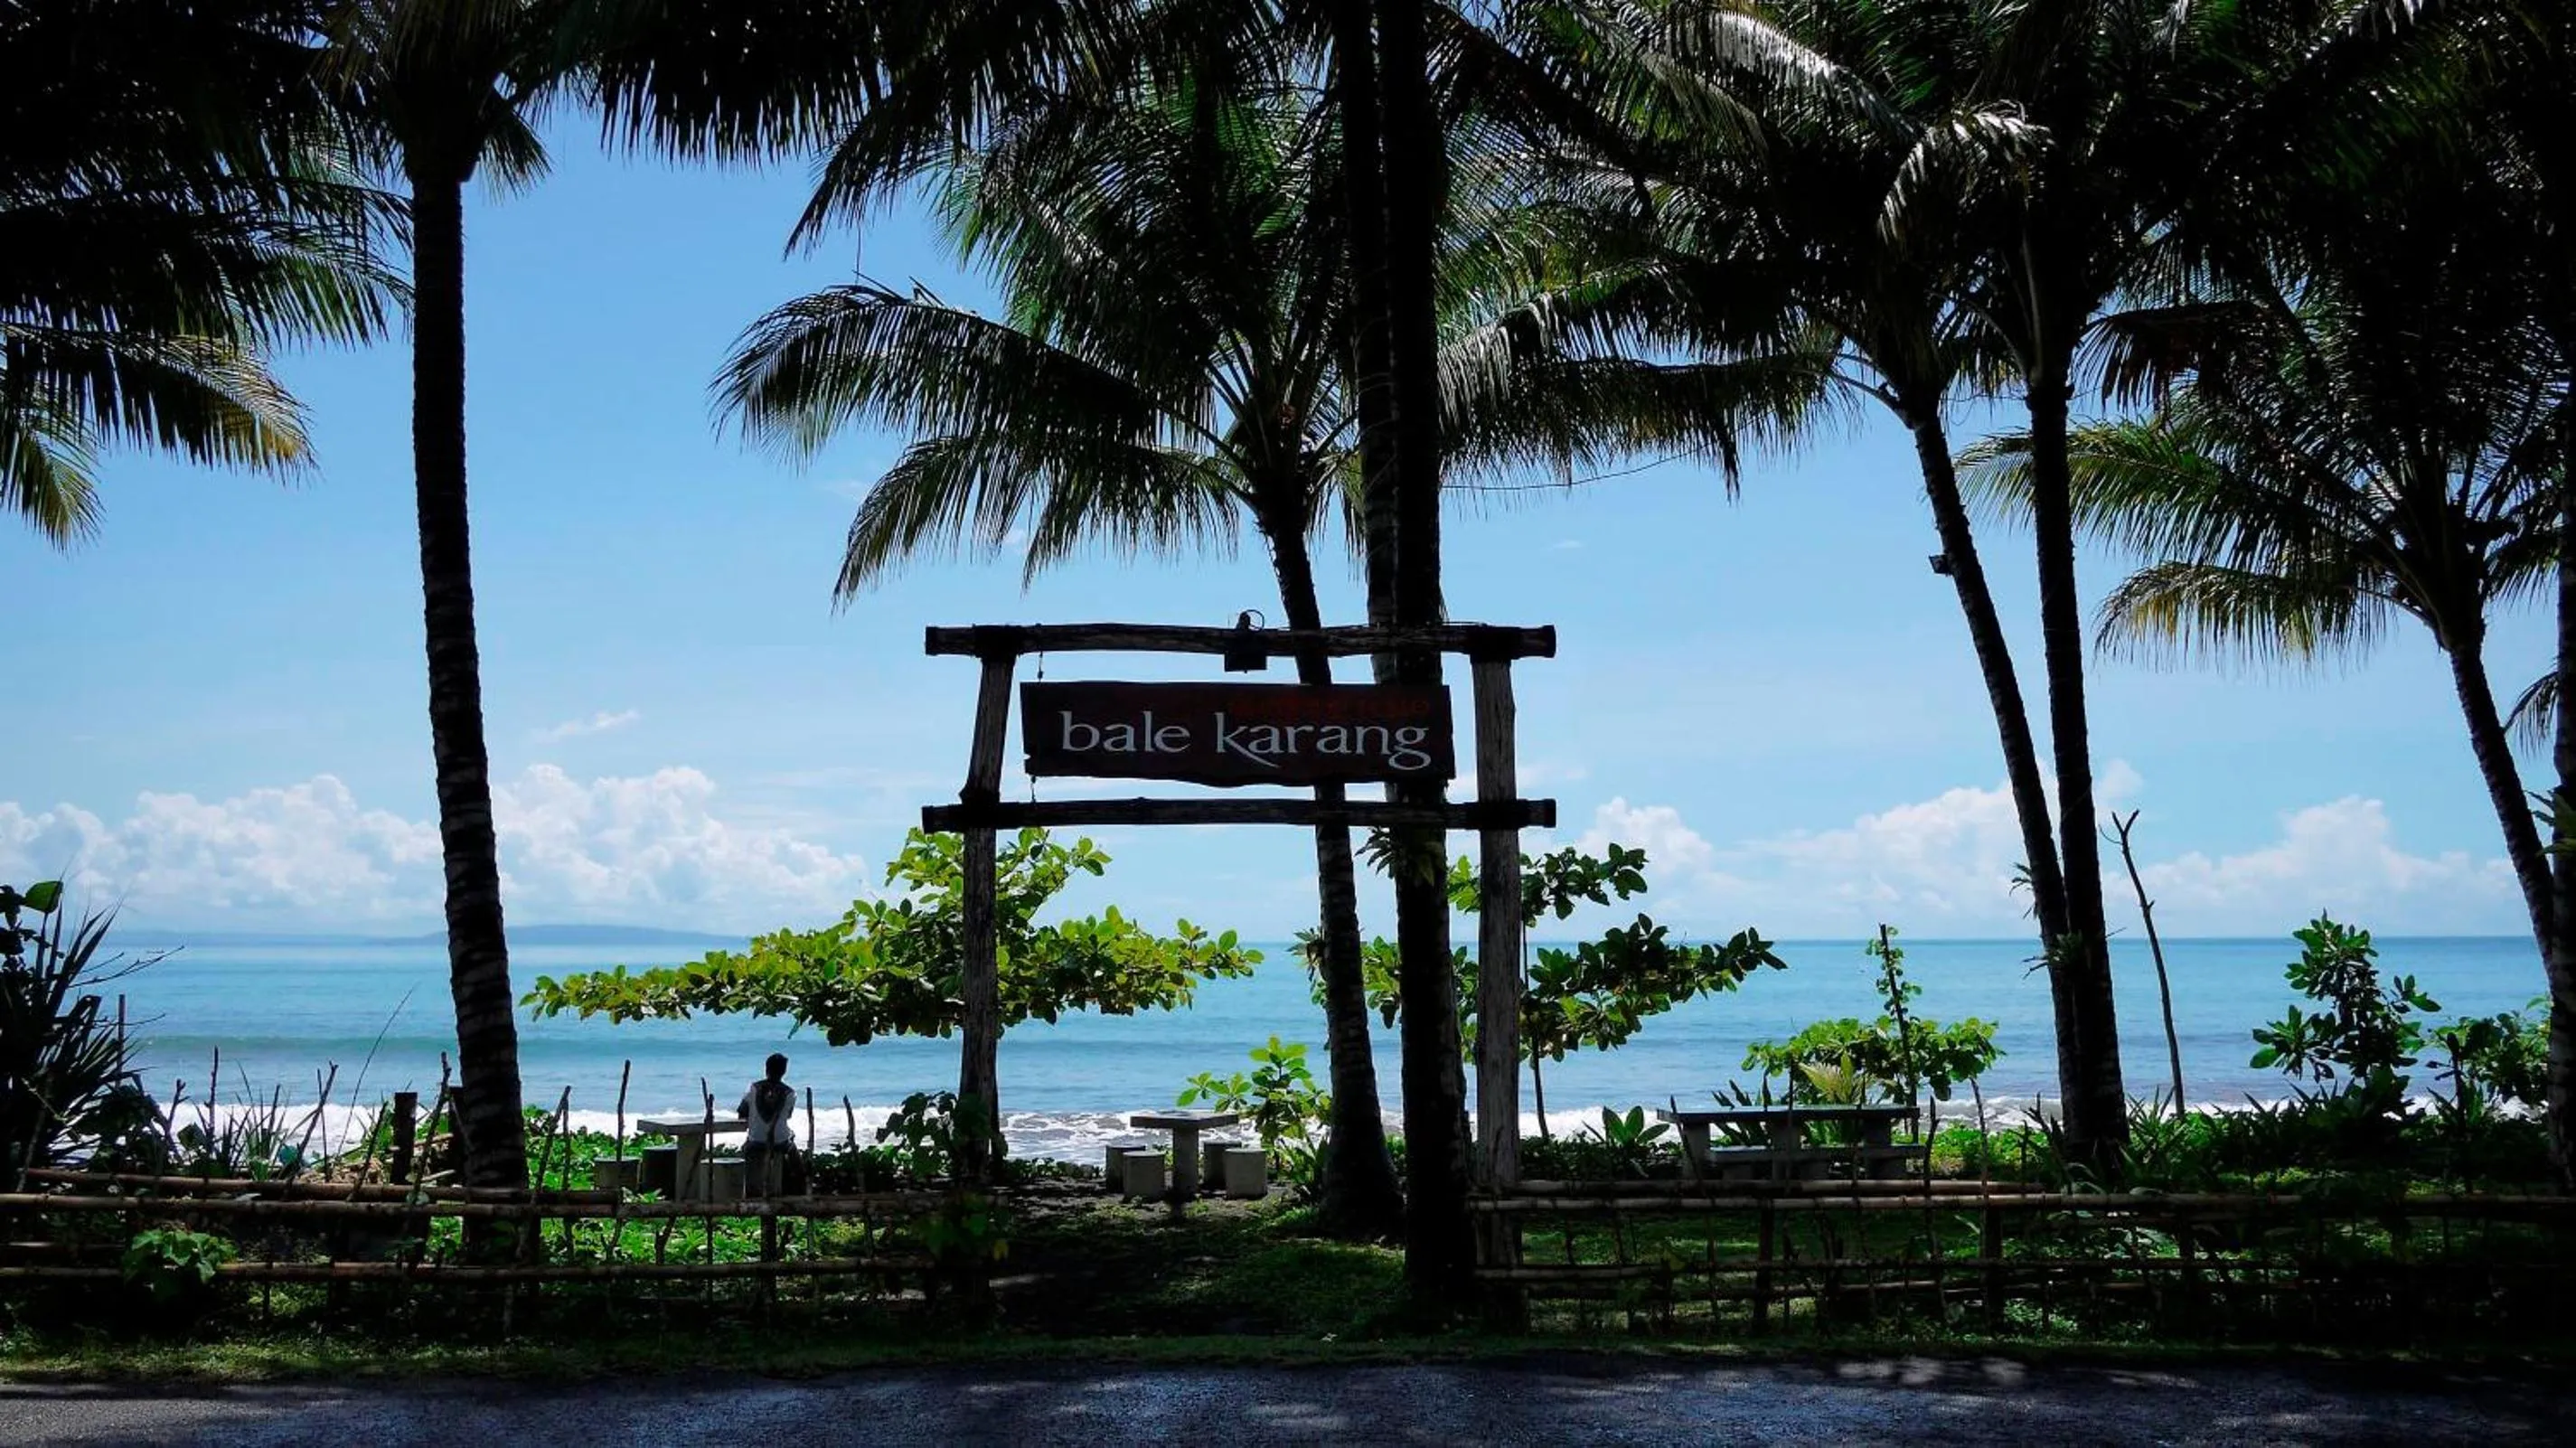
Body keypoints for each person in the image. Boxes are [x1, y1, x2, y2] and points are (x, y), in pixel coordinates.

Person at [736, 1053, 796, 1197]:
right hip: (779, 1141)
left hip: (756, 1140)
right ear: (784, 1071)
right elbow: (787, 1116)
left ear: (766, 1069)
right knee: (791, 1139)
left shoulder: (753, 1088)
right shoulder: (790, 1093)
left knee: (749, 1145)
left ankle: (752, 1189)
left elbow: (742, 1112)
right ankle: (796, 1181)